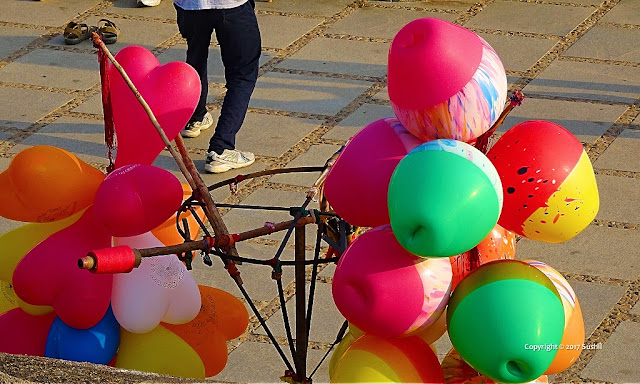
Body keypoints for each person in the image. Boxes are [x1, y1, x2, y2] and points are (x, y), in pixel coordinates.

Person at [174, 0, 261, 173]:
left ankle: (195, 117)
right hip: (231, 6)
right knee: (243, 74)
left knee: (195, 57)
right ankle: (221, 147)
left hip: (189, 6)